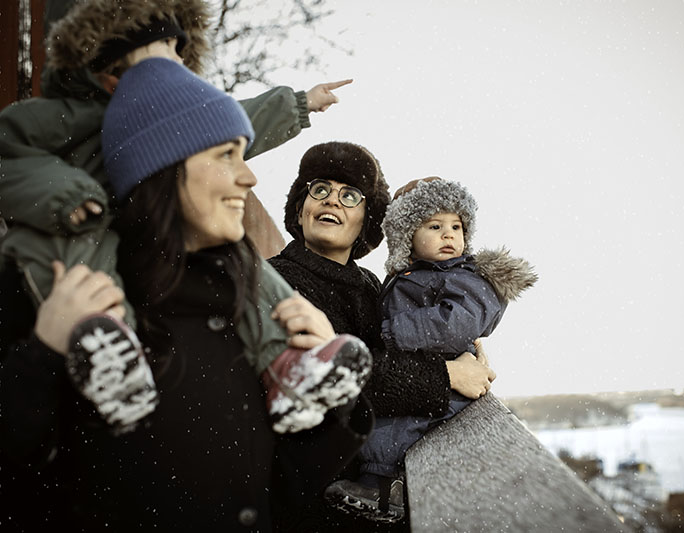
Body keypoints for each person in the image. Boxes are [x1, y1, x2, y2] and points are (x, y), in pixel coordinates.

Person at [0, 56, 373, 531]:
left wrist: (333, 405)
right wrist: (41, 358)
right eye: (226, 155)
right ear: (163, 162)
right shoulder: (51, 294)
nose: (249, 177)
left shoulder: (246, 305)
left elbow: (276, 492)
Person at [0, 0, 353, 433]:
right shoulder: (65, 118)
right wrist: (64, 193)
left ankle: (287, 361)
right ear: (104, 62)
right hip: (85, 220)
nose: (173, 61)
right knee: (79, 263)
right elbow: (9, 153)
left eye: (174, 48)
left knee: (245, 265)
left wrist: (296, 105)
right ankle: (111, 350)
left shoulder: (176, 119)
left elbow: (228, 130)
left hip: (152, 231)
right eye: (156, 49)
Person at [268, 144, 502, 531]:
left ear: (367, 220)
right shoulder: (274, 281)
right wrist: (447, 376)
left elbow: (395, 353)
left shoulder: (372, 286)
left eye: (350, 195)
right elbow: (333, 376)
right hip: (309, 494)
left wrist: (466, 356)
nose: (332, 200)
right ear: (300, 208)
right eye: (319, 189)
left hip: (374, 497)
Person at [324, 176, 538, 522]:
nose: (448, 235)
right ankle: (388, 487)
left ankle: (382, 490)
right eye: (435, 226)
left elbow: (457, 325)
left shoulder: (463, 276)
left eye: (456, 226)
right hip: (423, 378)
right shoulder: (417, 275)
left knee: (393, 430)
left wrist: (394, 332)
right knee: (386, 424)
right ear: (407, 237)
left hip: (445, 386)